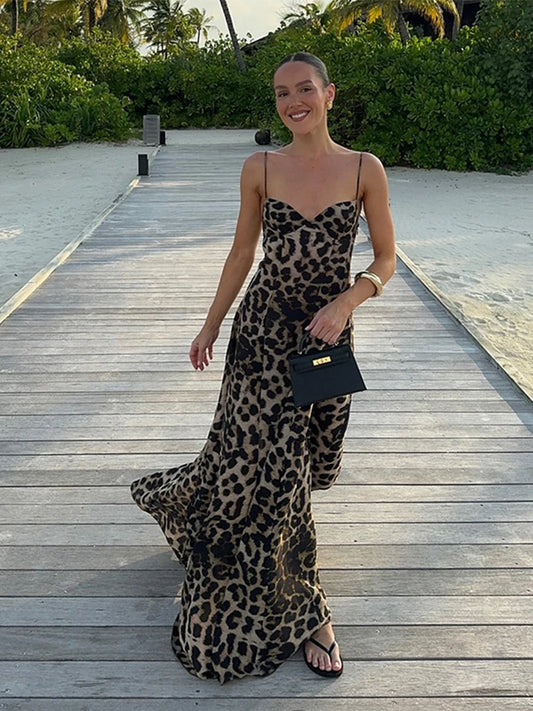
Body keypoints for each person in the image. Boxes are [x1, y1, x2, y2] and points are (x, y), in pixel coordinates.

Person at [131, 51, 396, 685]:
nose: (292, 101)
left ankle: (187, 499)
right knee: (274, 468)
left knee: (307, 464)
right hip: (262, 336)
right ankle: (311, 611)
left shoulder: (365, 168)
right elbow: (241, 251)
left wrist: (347, 301)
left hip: (327, 337)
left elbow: (386, 257)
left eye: (304, 89)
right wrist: (210, 324)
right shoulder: (261, 167)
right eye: (281, 93)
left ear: (329, 94)